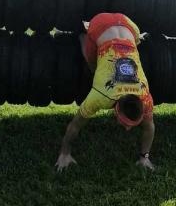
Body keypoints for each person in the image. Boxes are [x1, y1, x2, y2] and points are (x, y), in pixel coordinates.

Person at [56, 12, 155, 172]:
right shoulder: (101, 95)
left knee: (129, 48)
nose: (128, 129)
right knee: (92, 67)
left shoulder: (145, 97)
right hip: (100, 24)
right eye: (125, 123)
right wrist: (64, 153)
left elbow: (150, 127)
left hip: (128, 24)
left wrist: (144, 157)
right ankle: (82, 34)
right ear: (116, 108)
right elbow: (75, 125)